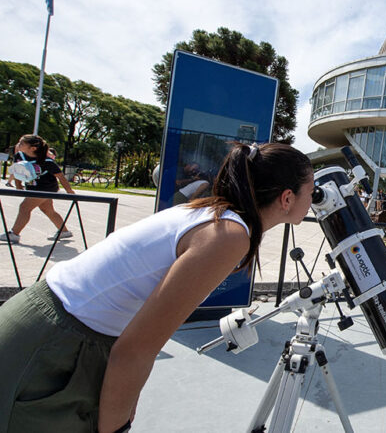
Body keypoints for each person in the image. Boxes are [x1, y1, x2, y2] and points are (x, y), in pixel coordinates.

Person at [0, 142, 314, 432]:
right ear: (287, 198)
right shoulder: (229, 235)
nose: (314, 200)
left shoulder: (212, 214)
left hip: (53, 323)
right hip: (55, 343)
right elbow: (136, 350)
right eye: (311, 191)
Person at [0, 135, 75, 244]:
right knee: (47, 209)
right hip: (33, 187)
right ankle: (64, 231)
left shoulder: (46, 161)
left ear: (33, 148)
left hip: (46, 188)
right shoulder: (19, 156)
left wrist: (70, 191)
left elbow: (60, 176)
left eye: (22, 143)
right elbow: (17, 171)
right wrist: (19, 187)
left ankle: (14, 234)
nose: (18, 145)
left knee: (25, 207)